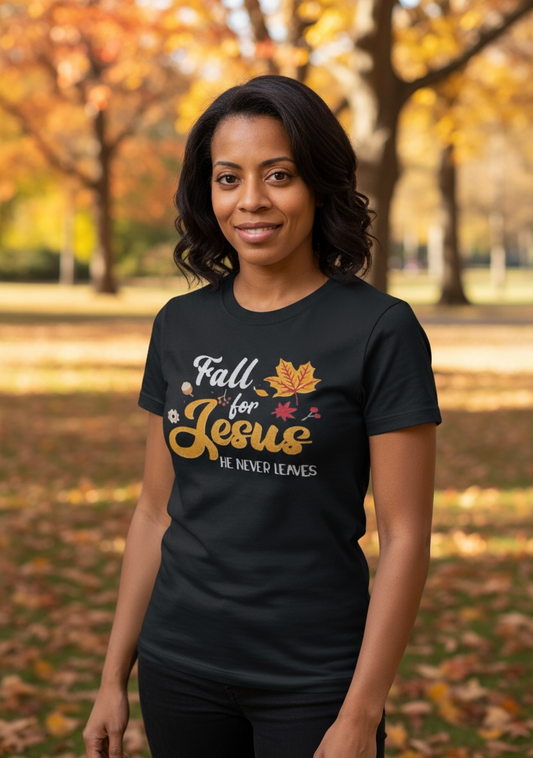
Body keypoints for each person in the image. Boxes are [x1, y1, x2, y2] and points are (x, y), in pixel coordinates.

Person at [83, 75, 440, 758]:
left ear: (319, 184)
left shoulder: (379, 330)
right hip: (178, 667)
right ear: (205, 190)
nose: (250, 200)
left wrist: (359, 715)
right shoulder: (179, 324)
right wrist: (111, 679)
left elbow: (403, 537)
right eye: (227, 178)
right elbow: (154, 515)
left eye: (278, 175)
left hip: (313, 681)